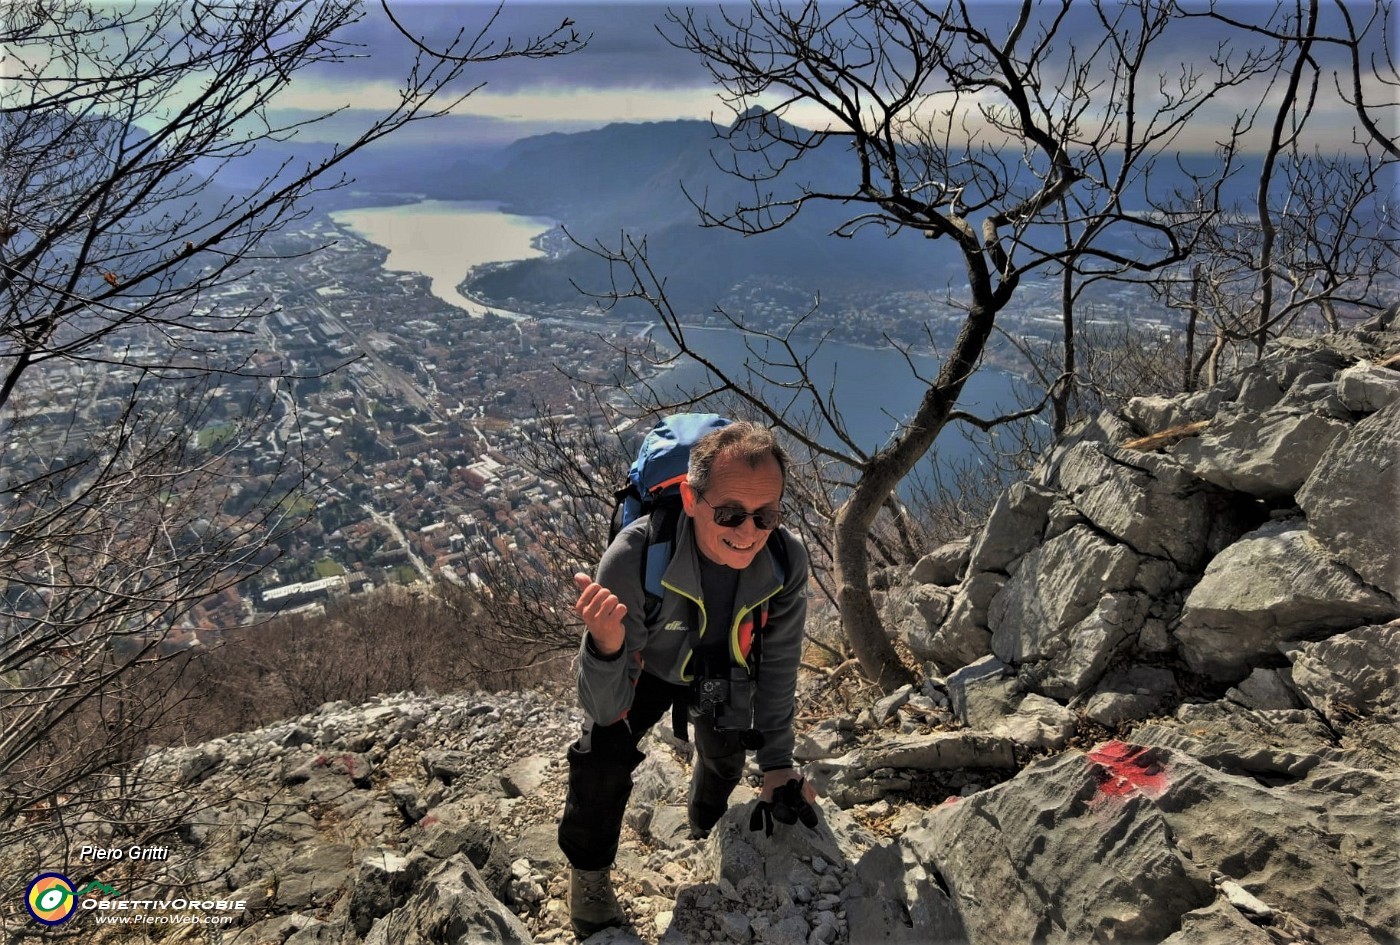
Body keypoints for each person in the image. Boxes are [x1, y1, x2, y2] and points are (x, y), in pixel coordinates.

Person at [558, 421, 817, 938]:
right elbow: (602, 707)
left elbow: (779, 665)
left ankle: (707, 828)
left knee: (724, 757)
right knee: (603, 754)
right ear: (691, 498)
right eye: (729, 514)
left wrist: (779, 763)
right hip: (648, 666)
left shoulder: (785, 559)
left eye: (765, 514)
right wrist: (606, 646)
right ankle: (588, 873)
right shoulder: (634, 559)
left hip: (722, 665)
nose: (748, 532)